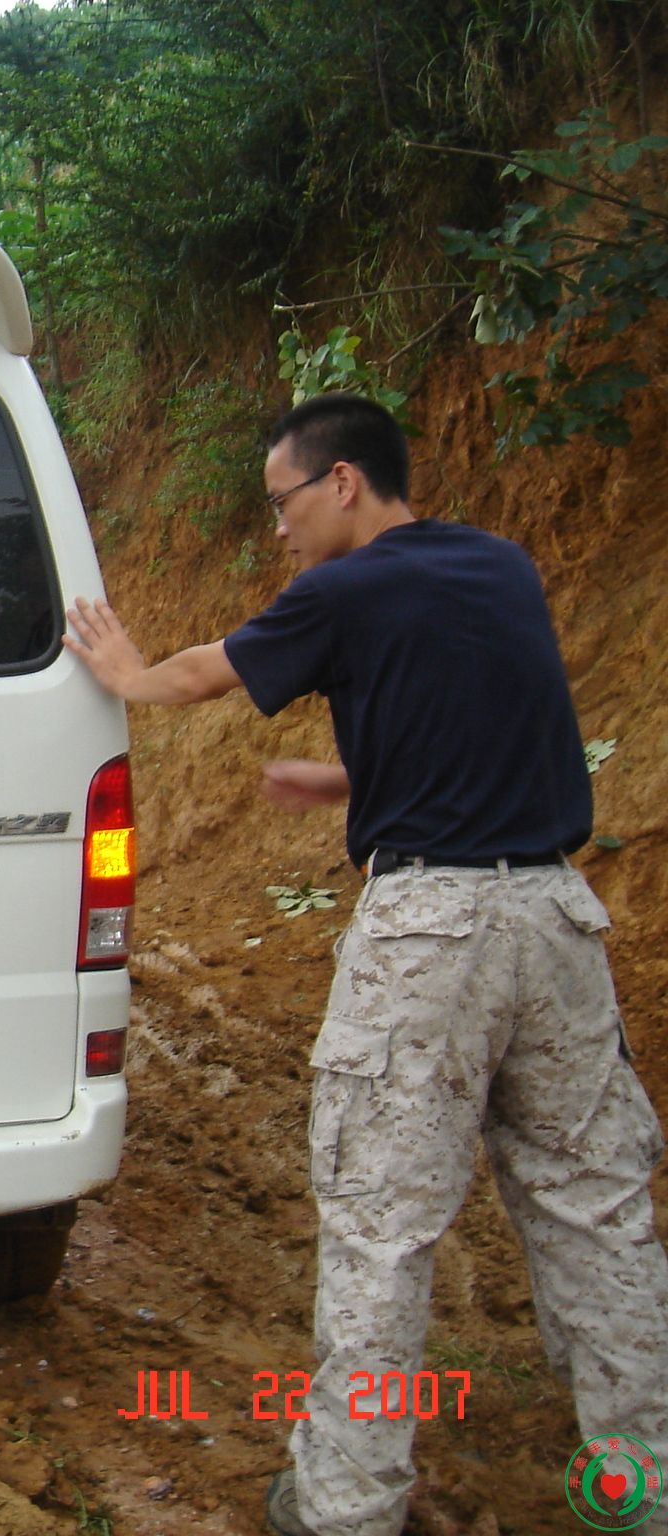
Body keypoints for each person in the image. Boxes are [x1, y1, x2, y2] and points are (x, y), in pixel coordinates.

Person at [63, 392, 668, 1536]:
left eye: (280, 501)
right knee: (595, 1210)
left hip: (428, 936)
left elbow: (197, 677)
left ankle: (345, 1505)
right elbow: (493, 724)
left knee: (381, 1228)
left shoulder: (340, 590)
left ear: (339, 482)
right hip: (554, 919)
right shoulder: (500, 568)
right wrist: (348, 779)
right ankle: (642, 1485)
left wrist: (125, 669)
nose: (277, 528)